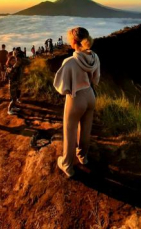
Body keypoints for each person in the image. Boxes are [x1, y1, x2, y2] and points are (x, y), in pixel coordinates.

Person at [53, 27, 100, 177]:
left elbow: (60, 87)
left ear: (73, 41)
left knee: (70, 130)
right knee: (86, 128)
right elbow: (96, 80)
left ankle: (67, 165)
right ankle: (83, 157)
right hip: (90, 95)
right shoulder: (94, 57)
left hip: (76, 97)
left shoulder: (70, 62)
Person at [6, 50, 24, 115]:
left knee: (15, 97)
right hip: (12, 85)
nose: (13, 62)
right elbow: (10, 74)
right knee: (13, 98)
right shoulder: (9, 68)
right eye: (12, 60)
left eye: (14, 60)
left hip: (16, 84)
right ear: (9, 61)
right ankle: (9, 109)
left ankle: (13, 107)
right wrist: (14, 67)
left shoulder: (15, 67)